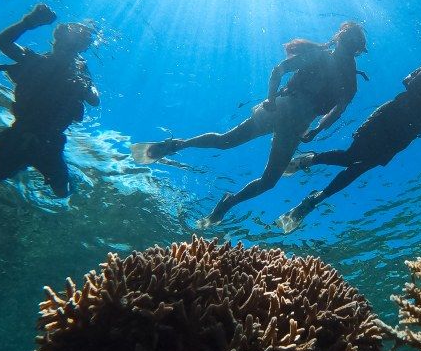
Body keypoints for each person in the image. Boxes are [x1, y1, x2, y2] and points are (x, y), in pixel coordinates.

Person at [131, 22, 368, 226]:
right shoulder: (341, 72)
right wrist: (283, 107)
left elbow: (281, 71)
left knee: (247, 161)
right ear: (354, 47)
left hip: (285, 114)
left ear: (345, 42)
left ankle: (224, 197)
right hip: (289, 116)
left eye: (347, 42)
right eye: (348, 42)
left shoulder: (333, 66)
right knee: (247, 161)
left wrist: (275, 100)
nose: (345, 47)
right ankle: (178, 148)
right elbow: (333, 108)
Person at [278, 29, 421, 232]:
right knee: (352, 157)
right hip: (390, 117)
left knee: (361, 167)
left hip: (405, 135)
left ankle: (316, 198)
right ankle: (309, 161)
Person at [0, 3, 99, 197]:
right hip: (24, 135)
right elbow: (2, 42)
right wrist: (28, 22)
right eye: (64, 45)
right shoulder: (36, 62)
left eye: (72, 49)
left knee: (64, 192)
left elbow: (95, 100)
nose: (65, 51)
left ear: (77, 52)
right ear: (55, 43)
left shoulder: (79, 77)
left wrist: (87, 84)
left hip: (49, 142)